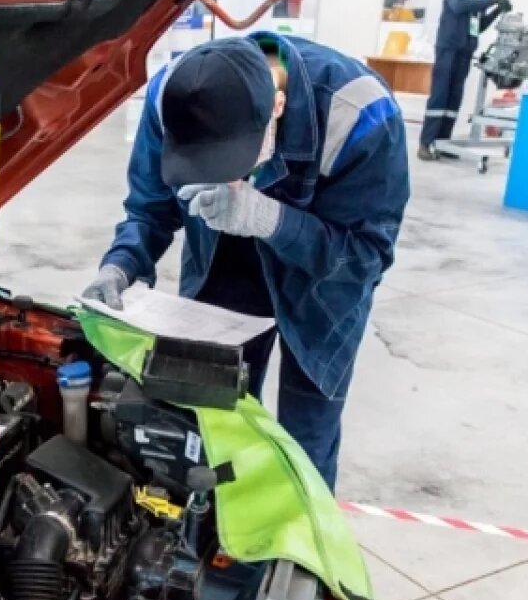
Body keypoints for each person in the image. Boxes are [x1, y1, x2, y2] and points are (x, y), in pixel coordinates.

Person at [82, 35, 409, 490]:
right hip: (225, 263)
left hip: (324, 287)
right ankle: (217, 548)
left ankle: (296, 558)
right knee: (212, 426)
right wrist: (119, 265)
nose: (220, 176)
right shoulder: (171, 98)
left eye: (230, 161)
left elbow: (364, 257)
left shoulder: (358, 115)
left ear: (277, 106)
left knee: (305, 442)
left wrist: (269, 218)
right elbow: (149, 208)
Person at [418, 0, 511, 160]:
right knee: (440, 95)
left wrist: (496, 10)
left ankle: (443, 143)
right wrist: (493, 1)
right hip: (448, 49)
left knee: (454, 97)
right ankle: (426, 143)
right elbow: (460, 6)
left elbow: (479, 25)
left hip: (464, 52)